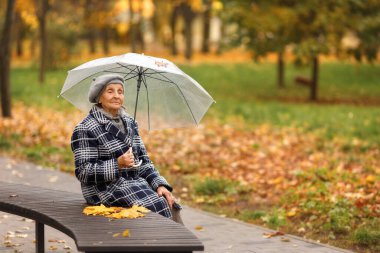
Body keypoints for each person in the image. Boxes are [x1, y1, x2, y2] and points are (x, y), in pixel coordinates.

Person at [71, 73, 182, 223]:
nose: (116, 96)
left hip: (133, 183)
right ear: (99, 97)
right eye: (110, 91)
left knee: (169, 202)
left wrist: (159, 184)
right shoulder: (85, 128)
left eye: (120, 91)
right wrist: (117, 164)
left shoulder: (130, 122)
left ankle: (177, 245)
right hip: (104, 189)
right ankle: (154, 245)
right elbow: (83, 172)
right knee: (154, 206)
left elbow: (143, 161)